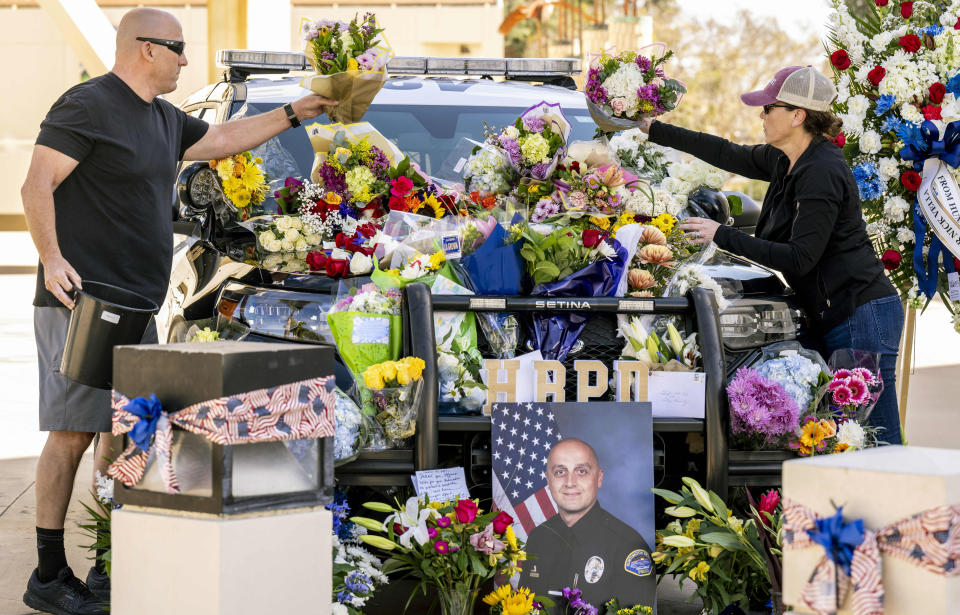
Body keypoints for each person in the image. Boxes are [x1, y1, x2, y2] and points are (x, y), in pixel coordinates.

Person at [20, 8, 336, 614]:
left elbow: (218, 141)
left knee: (119, 433)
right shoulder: (86, 105)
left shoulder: (163, 118)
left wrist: (296, 111)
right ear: (145, 49)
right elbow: (36, 183)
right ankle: (49, 574)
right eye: (178, 48)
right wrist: (52, 257)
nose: (186, 59)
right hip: (82, 302)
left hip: (137, 305)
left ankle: (109, 563)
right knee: (71, 432)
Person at [640, 65, 904, 446]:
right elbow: (727, 152)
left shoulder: (821, 171)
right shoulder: (784, 158)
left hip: (861, 314)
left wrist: (722, 235)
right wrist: (653, 129)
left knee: (873, 439)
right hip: (837, 314)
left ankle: (907, 505)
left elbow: (799, 258)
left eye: (768, 109)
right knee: (845, 440)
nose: (761, 115)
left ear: (798, 116)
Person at [518, 438, 655, 612]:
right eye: (560, 472)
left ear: (599, 478)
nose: (570, 482)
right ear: (548, 480)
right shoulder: (538, 537)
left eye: (581, 471)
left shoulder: (629, 546)